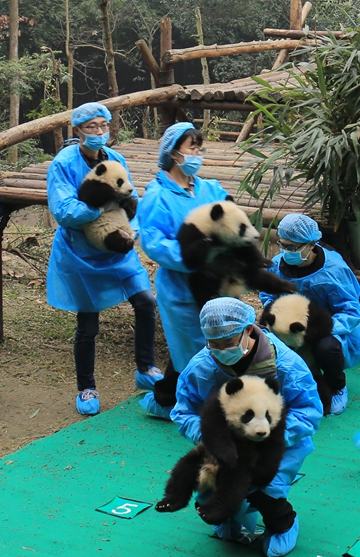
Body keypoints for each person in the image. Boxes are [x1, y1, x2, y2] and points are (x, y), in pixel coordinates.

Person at [172, 298, 322, 557]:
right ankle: (229, 517)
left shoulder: (286, 365)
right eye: (213, 344)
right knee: (210, 499)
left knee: (262, 487)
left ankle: (282, 522)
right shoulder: (201, 367)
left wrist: (267, 440)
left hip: (277, 445)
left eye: (228, 343)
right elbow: (184, 412)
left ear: (249, 330)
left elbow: (308, 412)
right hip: (223, 448)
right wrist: (214, 439)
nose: (220, 350)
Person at [45, 102, 160, 415]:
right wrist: (98, 209)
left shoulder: (116, 158)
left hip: (117, 251)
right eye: (92, 127)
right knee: (88, 324)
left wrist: (131, 229)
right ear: (78, 130)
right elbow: (63, 210)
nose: (98, 132)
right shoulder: (64, 163)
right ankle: (86, 387)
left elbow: (131, 198)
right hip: (81, 253)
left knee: (146, 301)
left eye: (103, 126)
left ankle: (146, 367)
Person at [137, 122, 231, 418]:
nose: (198, 154)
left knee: (214, 344)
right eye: (193, 148)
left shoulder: (208, 188)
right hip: (179, 287)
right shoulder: (158, 196)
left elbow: (231, 216)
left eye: (200, 149)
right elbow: (154, 243)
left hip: (214, 283)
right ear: (174, 153)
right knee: (190, 349)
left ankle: (170, 398)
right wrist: (197, 256)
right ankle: (176, 404)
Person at [259, 214, 358, 415]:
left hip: (329, 327)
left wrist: (317, 330)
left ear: (312, 244)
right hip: (290, 326)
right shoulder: (278, 265)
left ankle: (337, 385)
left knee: (326, 348)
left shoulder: (333, 270)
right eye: (283, 244)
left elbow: (351, 310)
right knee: (270, 343)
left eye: (293, 247)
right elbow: (267, 294)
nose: (286, 251)